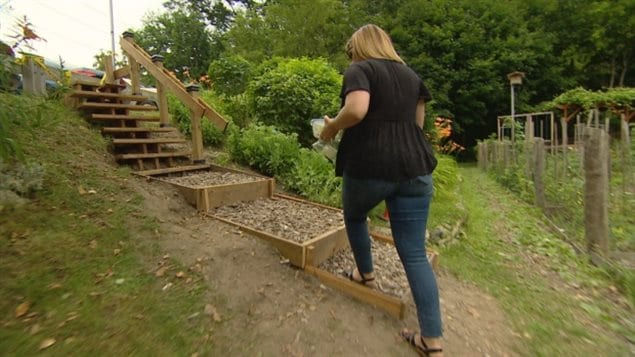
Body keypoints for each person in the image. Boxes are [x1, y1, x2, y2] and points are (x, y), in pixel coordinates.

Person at [320, 24, 443, 356]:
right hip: (415, 168)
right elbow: (417, 125)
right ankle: (432, 340)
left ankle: (366, 273)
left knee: (356, 216)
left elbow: (357, 110)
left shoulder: (360, 69)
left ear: (359, 47)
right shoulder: (411, 76)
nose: (351, 57)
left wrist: (331, 126)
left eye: (351, 51)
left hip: (369, 165)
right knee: (415, 253)